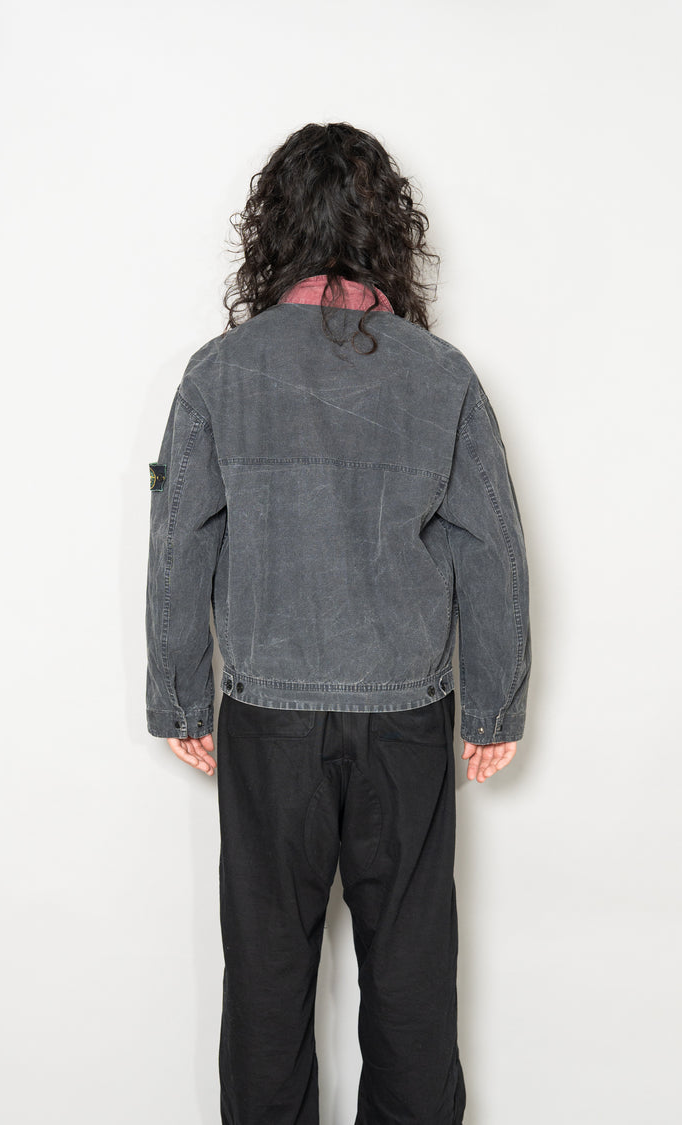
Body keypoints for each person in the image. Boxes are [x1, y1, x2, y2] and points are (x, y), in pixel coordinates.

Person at [145, 121, 531, 1125]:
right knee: (412, 974)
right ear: (385, 230)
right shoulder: (440, 374)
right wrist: (493, 707)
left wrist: (179, 693)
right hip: (406, 716)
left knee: (266, 980)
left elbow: (180, 541)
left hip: (267, 719)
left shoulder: (219, 373)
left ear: (273, 230)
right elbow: (491, 545)